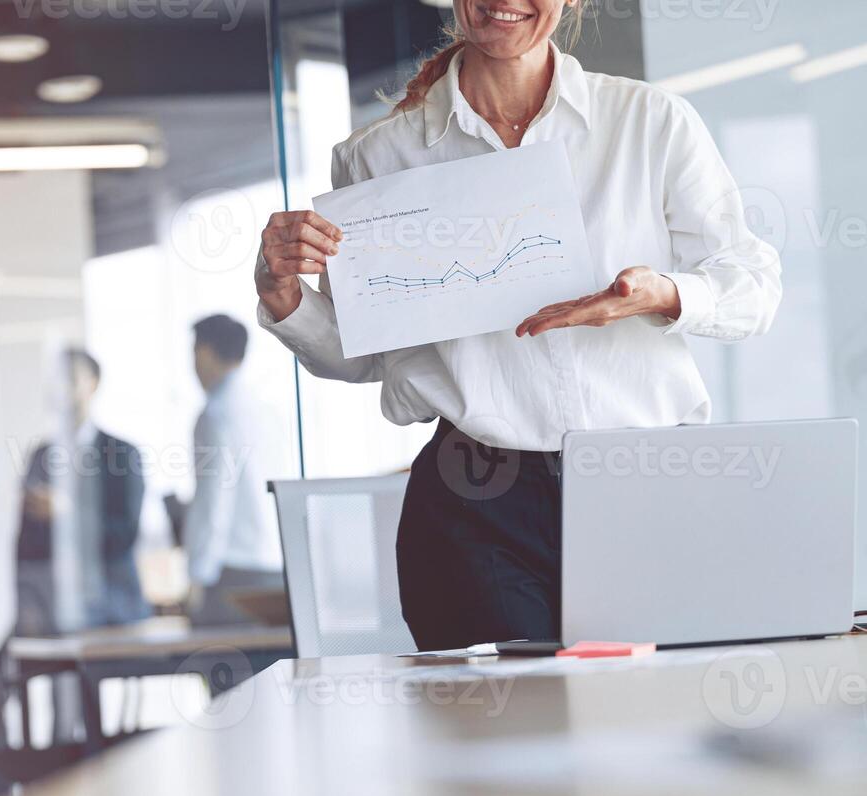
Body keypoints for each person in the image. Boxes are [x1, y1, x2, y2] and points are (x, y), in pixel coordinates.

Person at [254, 1, 782, 651]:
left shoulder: (648, 122)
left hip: (645, 486)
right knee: (510, 736)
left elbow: (753, 288)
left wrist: (663, 294)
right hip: (475, 507)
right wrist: (281, 292)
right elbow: (362, 357)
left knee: (653, 729)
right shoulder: (378, 157)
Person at [15, 348, 150, 635]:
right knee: (1, 660)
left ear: (93, 383)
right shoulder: (41, 456)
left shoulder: (122, 454)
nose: (61, 387)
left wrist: (66, 513)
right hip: (52, 604)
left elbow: (124, 536)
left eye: (70, 378)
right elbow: (25, 546)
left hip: (113, 604)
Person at [185, 315, 285, 626]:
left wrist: (197, 576)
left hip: (232, 576)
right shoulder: (267, 410)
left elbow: (213, 501)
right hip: (274, 568)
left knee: (225, 670)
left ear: (203, 353)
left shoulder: (215, 415)